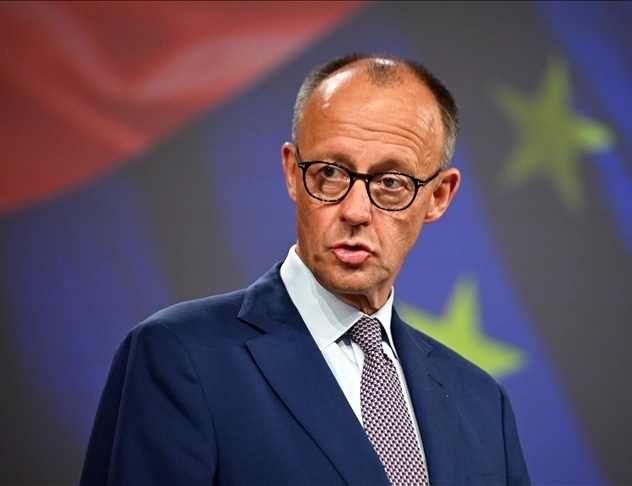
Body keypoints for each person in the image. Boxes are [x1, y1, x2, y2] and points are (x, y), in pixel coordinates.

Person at [80, 53, 530, 485]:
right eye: (331, 173)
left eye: (391, 182)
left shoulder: (481, 402)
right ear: (293, 174)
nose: (355, 210)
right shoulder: (180, 357)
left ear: (438, 196)